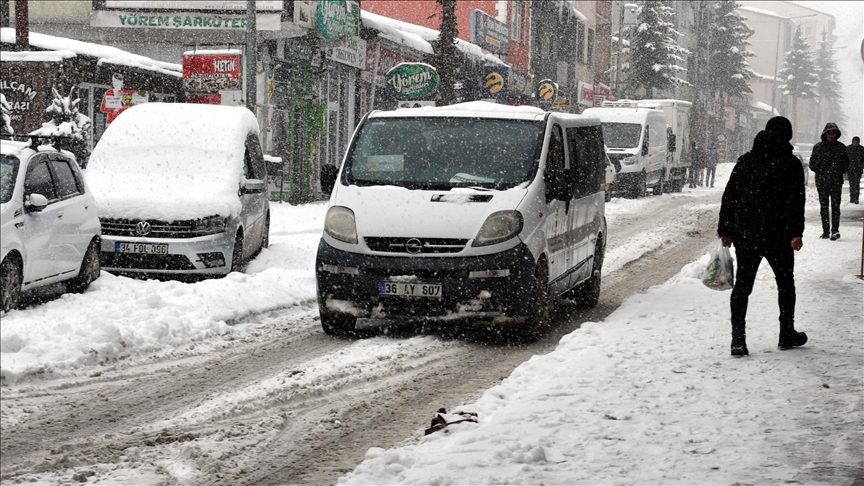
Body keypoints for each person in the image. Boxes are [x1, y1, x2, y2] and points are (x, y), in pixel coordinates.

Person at [718, 116, 806, 356]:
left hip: (747, 234)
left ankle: (738, 340)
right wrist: (796, 233)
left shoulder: (745, 161)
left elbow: (730, 197)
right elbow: (795, 202)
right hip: (779, 235)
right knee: (785, 284)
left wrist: (725, 230)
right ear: (787, 135)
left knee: (743, 286)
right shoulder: (790, 163)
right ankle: (786, 333)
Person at [809, 122, 850, 240]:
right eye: (829, 133)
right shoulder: (818, 147)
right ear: (825, 134)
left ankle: (835, 230)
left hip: (836, 181)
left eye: (833, 133)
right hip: (822, 182)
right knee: (824, 206)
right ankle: (826, 230)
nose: (831, 135)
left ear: (836, 134)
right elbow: (812, 164)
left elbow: (846, 164)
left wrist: (837, 171)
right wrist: (822, 170)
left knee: (835, 206)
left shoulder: (841, 148)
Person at [846, 136, 864, 204]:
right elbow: (845, 159)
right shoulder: (848, 149)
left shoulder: (862, 149)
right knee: (851, 184)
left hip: (858, 169)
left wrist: (861, 166)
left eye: (857, 141)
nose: (855, 142)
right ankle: (852, 197)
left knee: (856, 184)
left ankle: (856, 198)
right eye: (854, 141)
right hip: (850, 169)